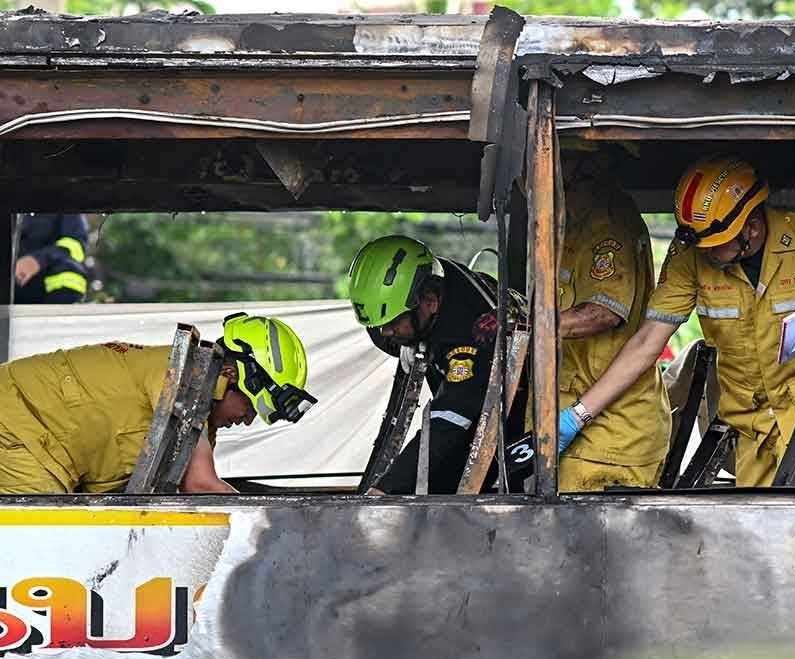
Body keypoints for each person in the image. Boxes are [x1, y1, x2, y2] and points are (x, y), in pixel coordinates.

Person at [559, 155, 795, 487]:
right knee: (757, 532)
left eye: (714, 245)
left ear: (751, 226)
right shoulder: (688, 257)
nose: (705, 254)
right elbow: (647, 342)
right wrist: (578, 415)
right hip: (749, 424)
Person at [0, 313, 314, 494]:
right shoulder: (187, 376)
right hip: (18, 425)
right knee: (43, 550)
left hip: (35, 441)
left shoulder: (196, 419)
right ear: (231, 374)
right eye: (249, 406)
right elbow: (200, 484)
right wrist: (267, 524)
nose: (247, 420)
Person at [348, 235, 527, 494]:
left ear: (430, 301)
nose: (384, 332)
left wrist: (384, 491)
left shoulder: (470, 334)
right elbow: (380, 329)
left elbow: (447, 424)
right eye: (379, 325)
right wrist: (404, 343)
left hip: (517, 412)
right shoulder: (417, 284)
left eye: (393, 324)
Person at [555, 145, 671, 492]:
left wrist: (531, 329)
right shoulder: (574, 223)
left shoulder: (608, 223)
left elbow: (604, 312)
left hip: (610, 437)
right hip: (580, 422)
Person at [15, 213, 90, 304]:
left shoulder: (66, 202)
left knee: (69, 270)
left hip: (45, 279)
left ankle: (61, 313)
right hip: (10, 284)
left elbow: (75, 244)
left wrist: (37, 260)